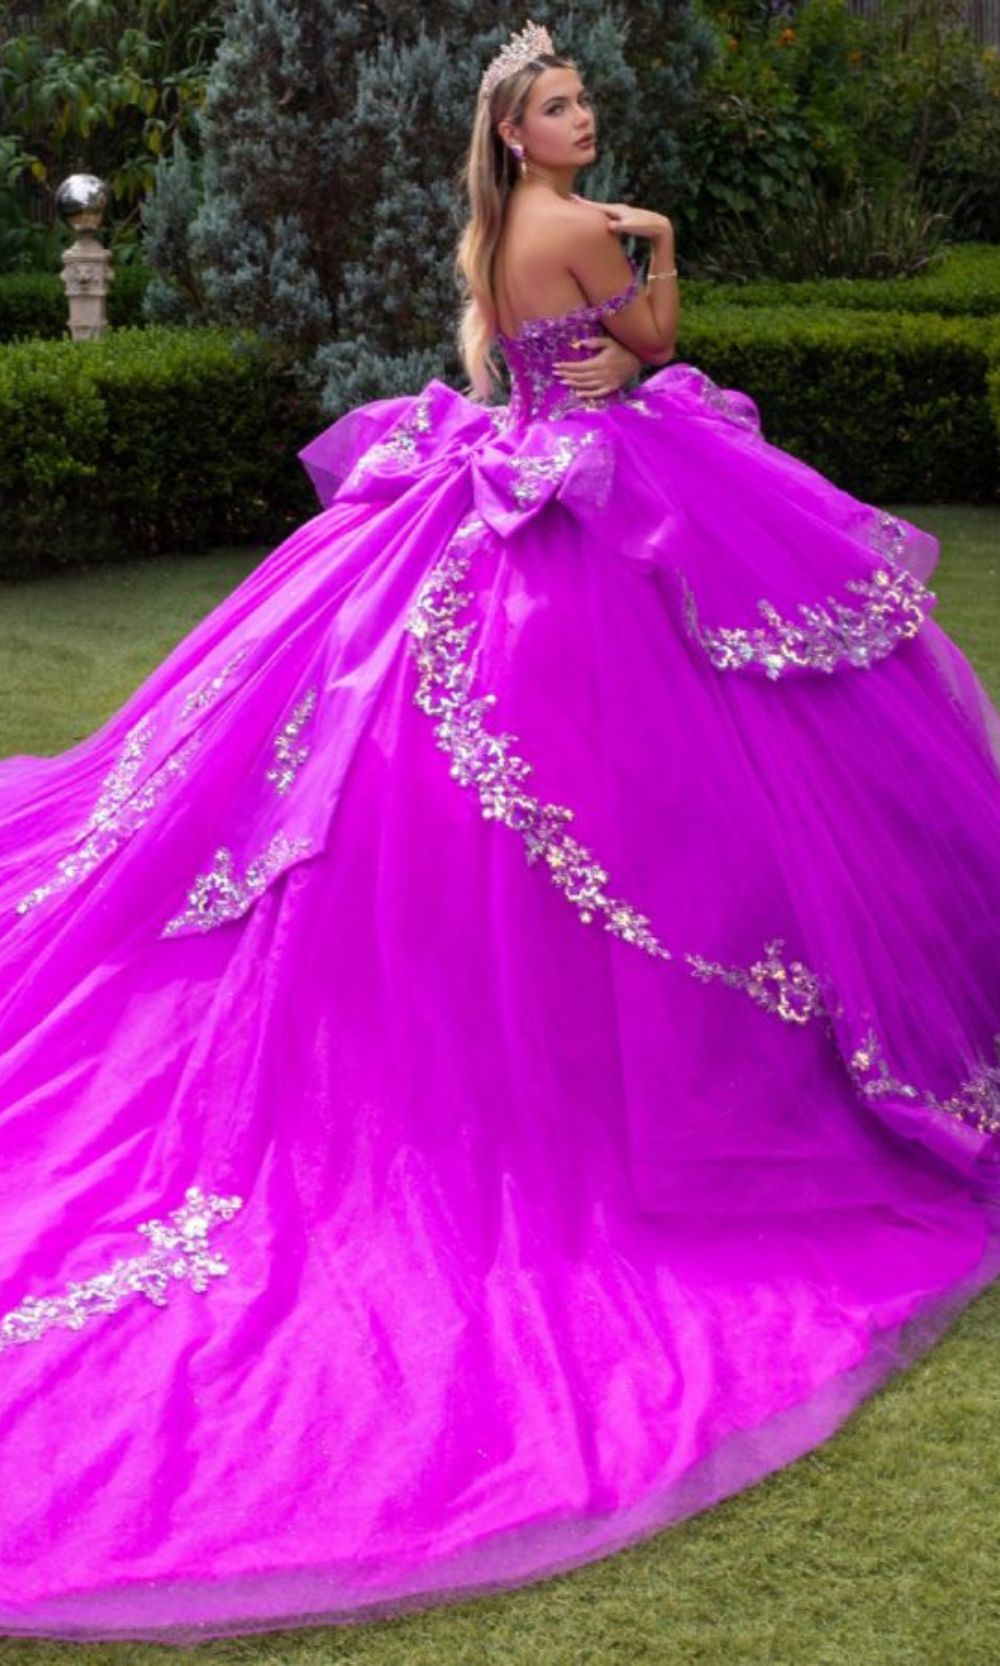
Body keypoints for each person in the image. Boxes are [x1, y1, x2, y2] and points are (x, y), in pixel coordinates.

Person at [0, 18, 998, 1648]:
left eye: (583, 97)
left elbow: (513, 367)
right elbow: (654, 350)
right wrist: (655, 247)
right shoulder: (589, 229)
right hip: (590, 498)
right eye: (560, 104)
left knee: (437, 783)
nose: (583, 116)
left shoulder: (490, 230)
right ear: (519, 133)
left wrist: (611, 310)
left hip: (511, 472)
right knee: (684, 773)